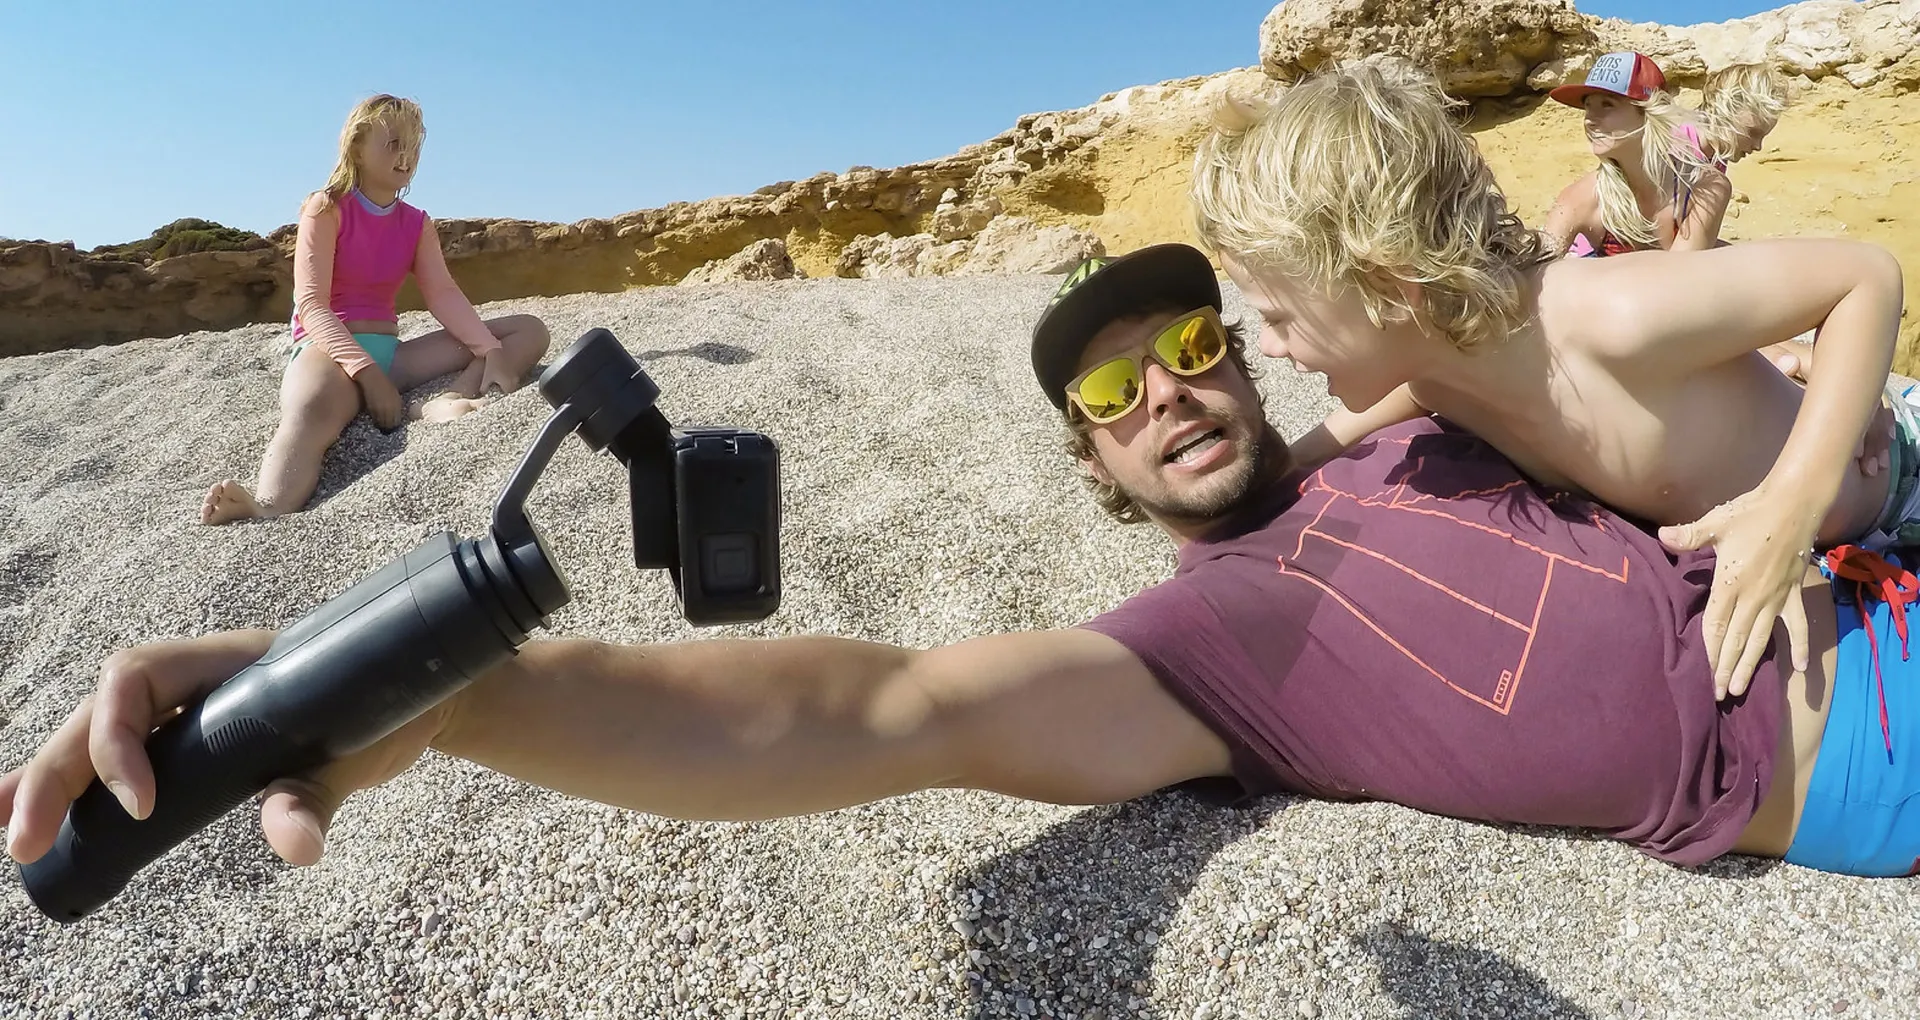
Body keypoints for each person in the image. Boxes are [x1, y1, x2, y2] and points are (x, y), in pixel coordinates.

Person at [6, 244, 1919, 883]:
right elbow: (864, 709)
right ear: (1090, 462)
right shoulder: (1200, 652)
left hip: (1871, 583)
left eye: (1191, 348)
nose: (1165, 387)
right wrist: (441, 686)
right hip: (1846, 768)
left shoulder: (1414, 418)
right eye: (1111, 385)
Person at [1189, 59, 1907, 701]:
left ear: (1386, 285)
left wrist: (1789, 507)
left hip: (1895, 473)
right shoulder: (1436, 373)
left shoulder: (1602, 316)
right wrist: (1247, 493)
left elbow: (1865, 276)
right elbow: (1327, 444)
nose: (1274, 348)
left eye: (1279, 318)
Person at [200, 93, 552, 527]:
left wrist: (490, 350)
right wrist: (367, 375)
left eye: (414, 147)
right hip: (330, 353)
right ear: (357, 147)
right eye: (393, 144)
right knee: (311, 413)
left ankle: (448, 397)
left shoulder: (416, 222)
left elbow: (441, 293)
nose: (406, 156)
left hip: (393, 357)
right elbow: (310, 303)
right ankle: (267, 504)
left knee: (527, 331)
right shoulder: (326, 208)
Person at [1538, 52, 1731, 258]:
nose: (1589, 120)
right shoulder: (1583, 197)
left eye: (1607, 104)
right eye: (1588, 107)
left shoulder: (1705, 187)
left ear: (1649, 113)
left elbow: (1680, 278)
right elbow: (1537, 268)